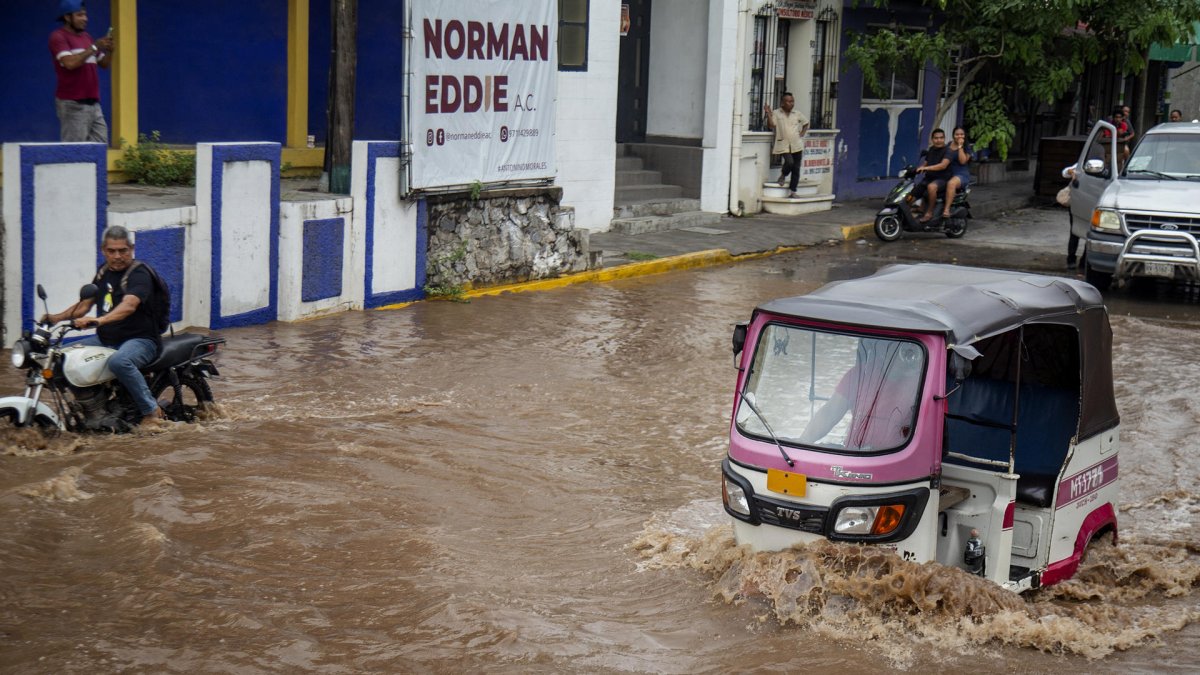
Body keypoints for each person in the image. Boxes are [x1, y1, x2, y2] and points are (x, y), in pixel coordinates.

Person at [42, 226, 165, 426]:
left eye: (122, 250)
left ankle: (151, 411)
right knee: (60, 359)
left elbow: (129, 305)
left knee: (120, 362)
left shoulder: (139, 274)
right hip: (106, 339)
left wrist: (99, 320)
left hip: (141, 340)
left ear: (131, 249)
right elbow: (84, 305)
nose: (117, 256)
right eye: (112, 251)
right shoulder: (103, 272)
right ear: (103, 251)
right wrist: (56, 318)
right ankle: (89, 409)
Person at [798, 341, 923, 451]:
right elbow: (830, 413)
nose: (903, 353)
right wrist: (803, 441)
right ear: (882, 348)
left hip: (897, 462)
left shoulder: (922, 382)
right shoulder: (859, 375)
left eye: (908, 349)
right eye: (895, 346)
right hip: (854, 455)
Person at [49, 0, 114, 143]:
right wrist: (95, 47)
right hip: (73, 104)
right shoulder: (58, 37)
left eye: (85, 15)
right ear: (67, 17)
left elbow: (104, 64)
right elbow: (70, 63)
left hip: (94, 105)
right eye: (80, 15)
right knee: (74, 154)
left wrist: (109, 51)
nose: (85, 19)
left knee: (99, 147)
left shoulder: (87, 38)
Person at [764, 92, 810, 198]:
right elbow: (771, 125)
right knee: (789, 162)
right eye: (788, 101)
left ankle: (793, 191)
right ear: (782, 103)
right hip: (783, 144)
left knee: (796, 169)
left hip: (797, 144)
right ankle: (783, 175)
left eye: (792, 101)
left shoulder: (797, 113)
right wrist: (768, 114)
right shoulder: (776, 113)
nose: (791, 103)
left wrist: (802, 133)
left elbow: (806, 123)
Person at [914, 128, 951, 223]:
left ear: (944, 138)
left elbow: (943, 165)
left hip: (942, 179)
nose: (938, 140)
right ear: (932, 139)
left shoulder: (948, 150)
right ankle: (918, 210)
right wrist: (918, 168)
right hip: (929, 177)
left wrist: (926, 168)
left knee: (931, 187)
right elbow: (925, 163)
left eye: (941, 138)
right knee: (913, 193)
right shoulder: (931, 149)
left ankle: (929, 212)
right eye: (936, 138)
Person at [943, 127, 972, 219]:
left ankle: (946, 209)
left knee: (951, 183)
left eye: (961, 134)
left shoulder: (967, 147)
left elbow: (963, 161)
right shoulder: (948, 145)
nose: (959, 136)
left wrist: (960, 147)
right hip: (948, 173)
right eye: (957, 134)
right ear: (953, 135)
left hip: (961, 174)